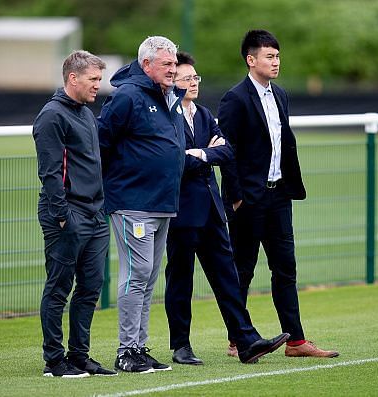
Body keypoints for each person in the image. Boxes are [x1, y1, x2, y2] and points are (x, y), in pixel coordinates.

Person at [218, 30, 339, 358]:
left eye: (277, 56)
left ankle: (296, 341)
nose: (276, 62)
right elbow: (226, 152)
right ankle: (238, 338)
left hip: (278, 197)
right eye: (269, 56)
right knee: (242, 268)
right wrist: (236, 197)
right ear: (251, 59)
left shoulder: (280, 95)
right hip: (248, 200)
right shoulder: (235, 99)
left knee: (286, 268)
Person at [164, 51, 290, 366]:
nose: (193, 83)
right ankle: (181, 345)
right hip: (180, 211)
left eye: (195, 78)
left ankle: (246, 341)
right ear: (171, 83)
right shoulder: (166, 117)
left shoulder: (204, 115)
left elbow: (228, 151)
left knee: (228, 278)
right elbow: (173, 160)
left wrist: (200, 154)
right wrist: (207, 153)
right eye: (186, 78)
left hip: (211, 210)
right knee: (181, 279)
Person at [97, 36, 184, 374]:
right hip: (133, 202)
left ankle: (138, 347)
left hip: (162, 202)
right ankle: (126, 350)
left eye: (175, 65)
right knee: (137, 274)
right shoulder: (127, 97)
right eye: (167, 64)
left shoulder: (169, 97)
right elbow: (102, 142)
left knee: (148, 279)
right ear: (147, 65)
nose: (173, 70)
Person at [33, 50, 117, 378]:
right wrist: (63, 215)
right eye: (94, 79)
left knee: (91, 287)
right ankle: (55, 361)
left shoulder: (85, 113)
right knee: (59, 287)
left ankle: (79, 356)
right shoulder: (52, 115)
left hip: (95, 214)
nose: (99, 85)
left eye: (100, 78)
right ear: (73, 78)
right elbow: (50, 173)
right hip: (68, 214)